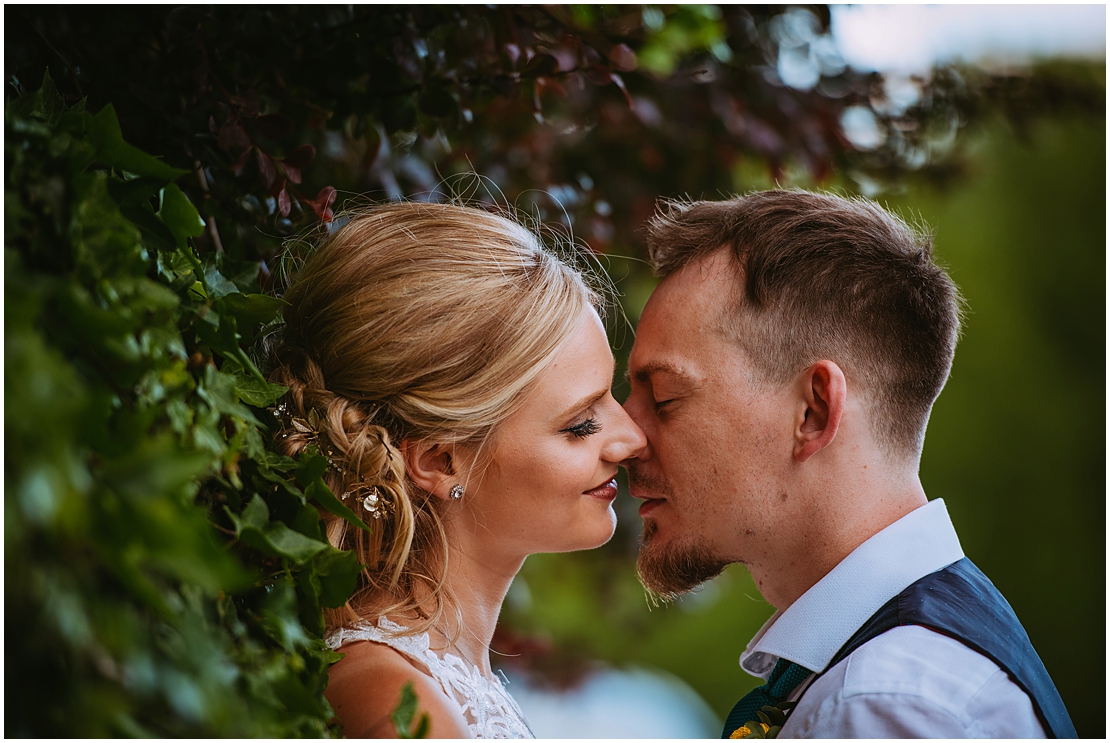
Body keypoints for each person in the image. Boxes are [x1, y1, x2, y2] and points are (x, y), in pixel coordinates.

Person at [622, 190, 1076, 738]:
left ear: (813, 411)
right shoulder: (907, 669)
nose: (625, 436)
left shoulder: (885, 704)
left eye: (666, 397)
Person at [268, 202, 646, 738]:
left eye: (612, 397)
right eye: (581, 423)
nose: (631, 438)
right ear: (441, 462)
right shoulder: (389, 702)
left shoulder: (443, 682)